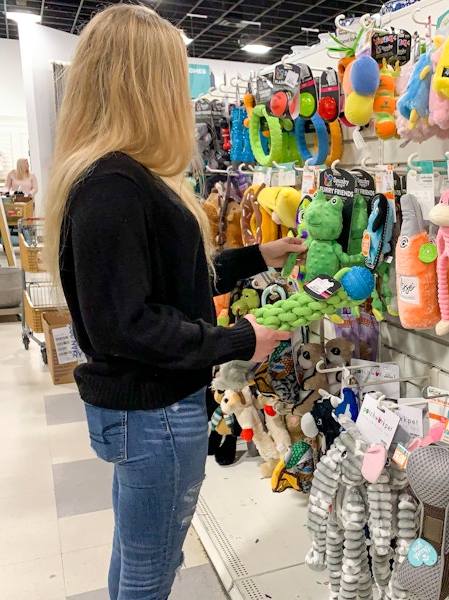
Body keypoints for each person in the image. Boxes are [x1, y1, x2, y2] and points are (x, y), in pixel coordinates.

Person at [42, 5, 306, 599]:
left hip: (151, 409)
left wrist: (256, 255)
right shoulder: (113, 185)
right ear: (146, 85)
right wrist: (242, 339)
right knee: (150, 571)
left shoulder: (120, 177)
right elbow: (126, 325)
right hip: (154, 413)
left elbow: (168, 280)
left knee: (138, 556)